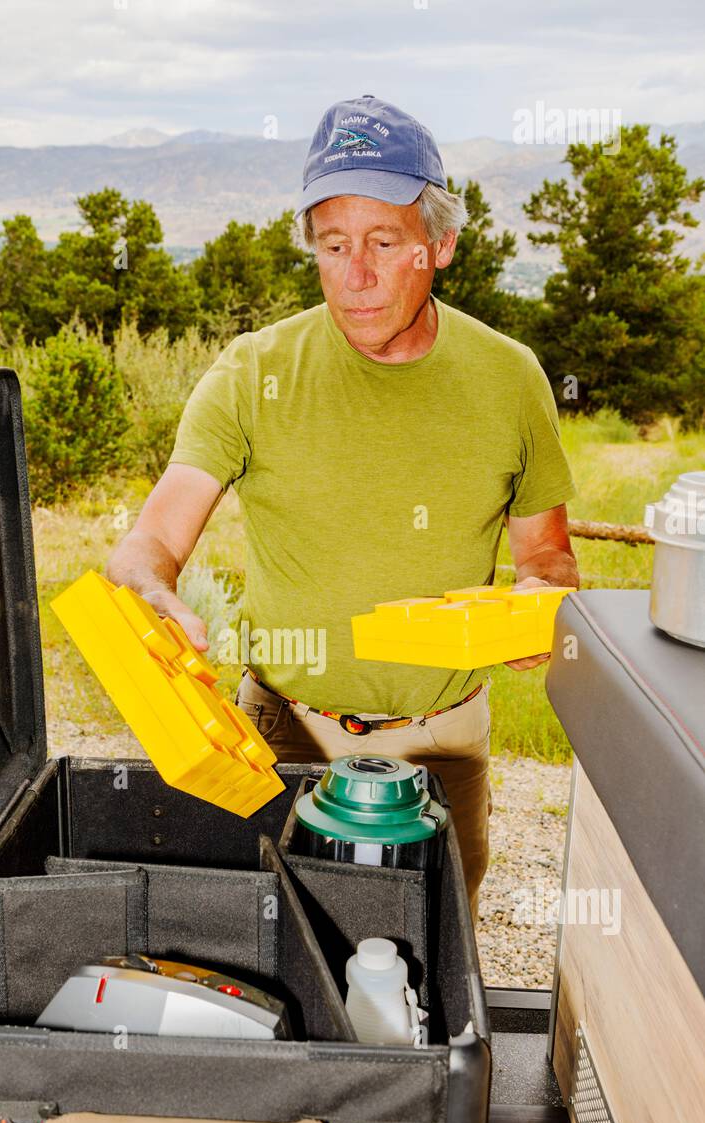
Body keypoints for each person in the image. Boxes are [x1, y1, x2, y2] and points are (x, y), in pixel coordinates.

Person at [107, 94, 579, 925]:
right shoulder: (251, 370)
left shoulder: (511, 378)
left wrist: (537, 612)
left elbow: (548, 561)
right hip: (283, 731)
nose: (354, 274)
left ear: (440, 245)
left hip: (442, 741)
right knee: (270, 949)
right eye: (333, 245)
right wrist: (145, 587)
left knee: (435, 956)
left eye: (384, 243)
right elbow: (153, 539)